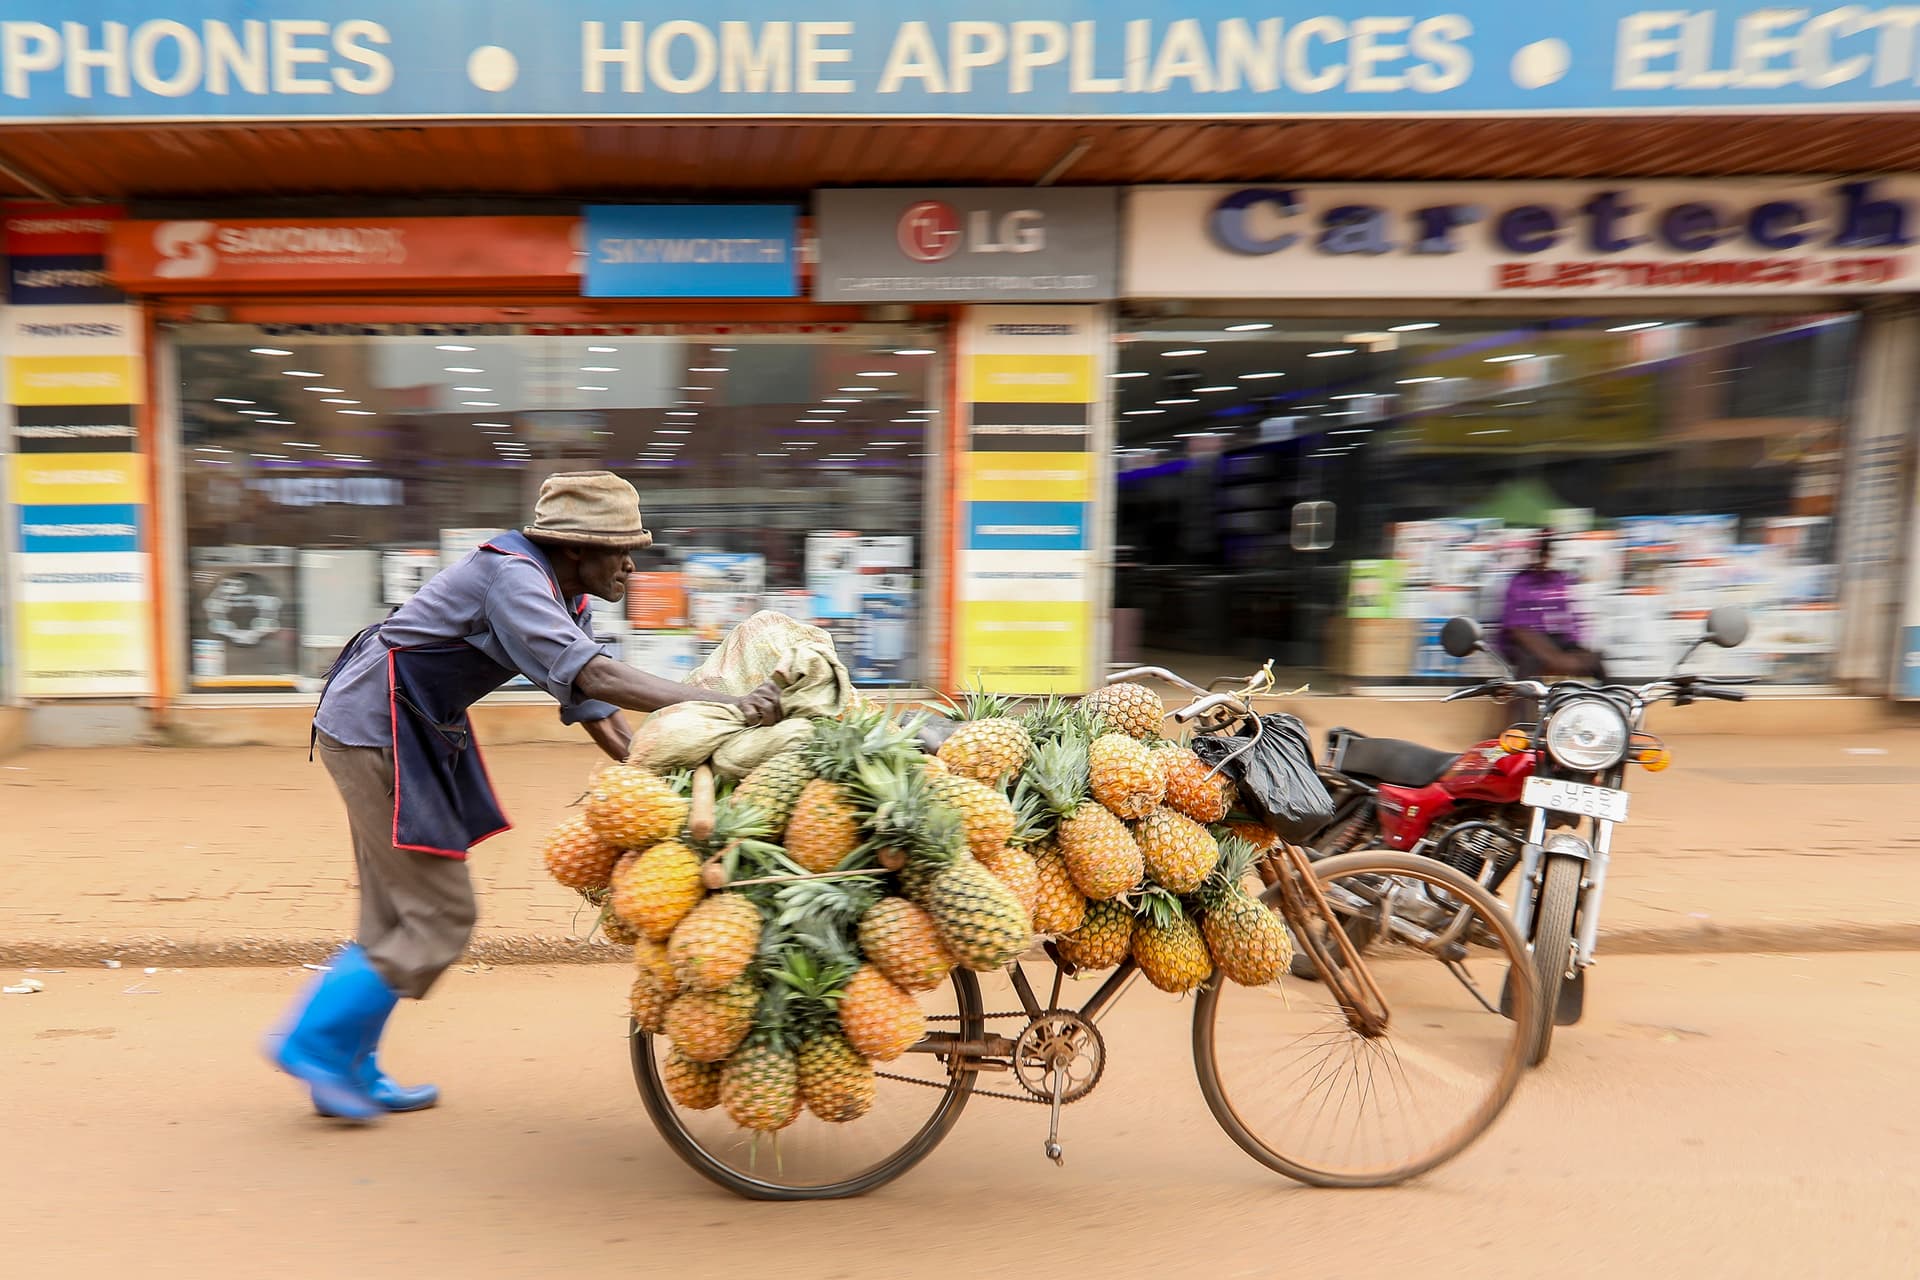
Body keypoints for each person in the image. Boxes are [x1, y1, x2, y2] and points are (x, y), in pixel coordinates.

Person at [264, 471, 782, 1122]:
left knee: (393, 917)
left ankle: (348, 1065)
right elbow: (597, 674)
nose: (629, 565)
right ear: (573, 549)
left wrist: (664, 787)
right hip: (377, 728)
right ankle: (313, 1042)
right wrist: (729, 705)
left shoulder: (566, 597)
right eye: (619, 550)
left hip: (404, 723)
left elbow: (595, 706)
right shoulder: (516, 579)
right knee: (438, 915)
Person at [1497, 534, 1609, 684]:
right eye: (1540, 554)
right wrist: (1556, 658)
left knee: (1596, 662)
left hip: (1557, 641)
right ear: (1532, 555)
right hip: (1528, 644)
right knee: (1528, 668)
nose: (1543, 559)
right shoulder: (1520, 582)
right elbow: (1517, 629)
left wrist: (1574, 651)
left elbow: (1572, 623)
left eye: (1547, 554)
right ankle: (1522, 706)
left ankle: (1609, 702)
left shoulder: (1560, 579)